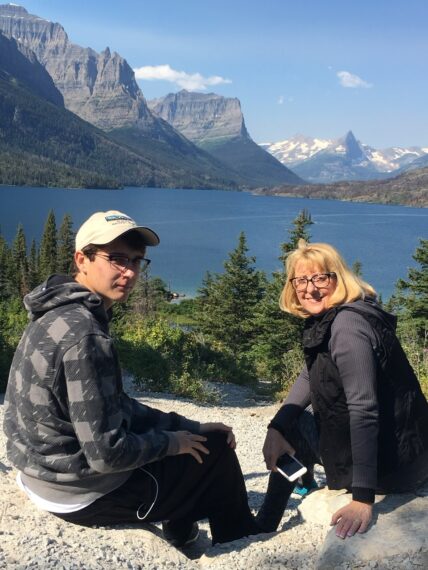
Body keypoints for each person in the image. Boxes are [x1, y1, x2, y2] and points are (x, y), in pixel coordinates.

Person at [3, 210, 260, 547]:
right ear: (82, 259)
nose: (130, 272)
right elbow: (105, 455)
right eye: (117, 259)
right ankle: (238, 539)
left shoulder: (53, 313)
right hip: (79, 494)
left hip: (40, 474)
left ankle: (181, 529)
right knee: (215, 454)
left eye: (137, 261)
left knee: (188, 442)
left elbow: (112, 405)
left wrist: (186, 426)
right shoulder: (87, 337)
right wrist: (173, 443)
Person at [256, 240, 428, 539]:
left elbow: (364, 411)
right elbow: (310, 376)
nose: (310, 289)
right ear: (292, 285)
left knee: (297, 426)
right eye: (301, 280)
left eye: (320, 277)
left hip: (391, 466)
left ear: (338, 278)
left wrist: (362, 498)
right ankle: (305, 483)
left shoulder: (347, 327)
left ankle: (263, 526)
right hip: (405, 452)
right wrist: (276, 427)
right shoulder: (351, 312)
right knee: (290, 419)